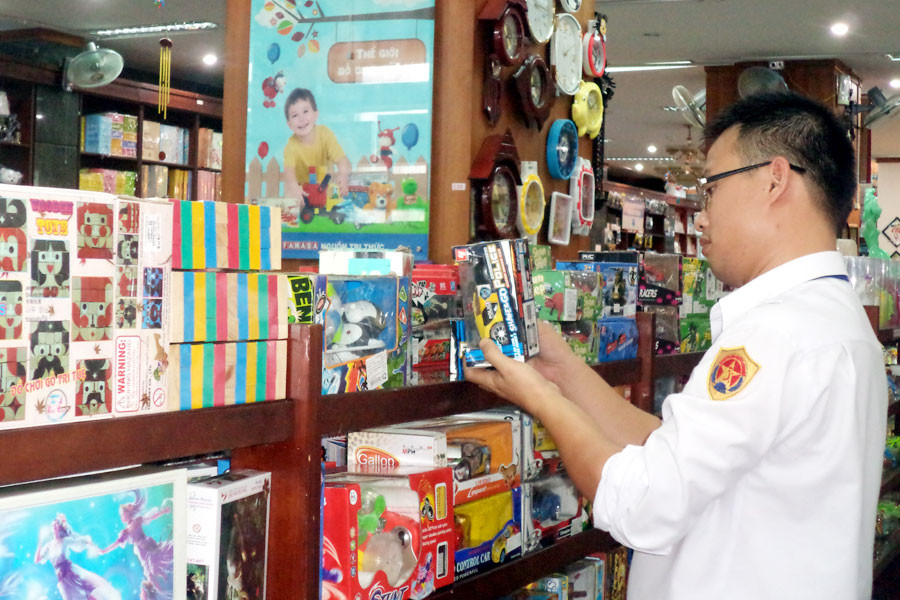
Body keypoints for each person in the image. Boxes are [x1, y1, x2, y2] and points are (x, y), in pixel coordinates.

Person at [465, 92, 887, 599]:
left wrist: (541, 400)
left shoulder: (777, 334)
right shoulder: (831, 319)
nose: (701, 216)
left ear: (775, 179)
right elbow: (668, 454)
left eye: (711, 189)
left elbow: (641, 501)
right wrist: (565, 373)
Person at [282, 88, 351, 202]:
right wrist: (294, 187)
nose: (301, 118)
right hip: (303, 192)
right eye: (295, 115)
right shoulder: (291, 145)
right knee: (293, 198)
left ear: (315, 114)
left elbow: (342, 160)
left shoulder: (325, 134)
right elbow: (289, 170)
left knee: (334, 203)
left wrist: (343, 175)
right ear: (289, 125)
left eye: (305, 111)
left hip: (324, 190)